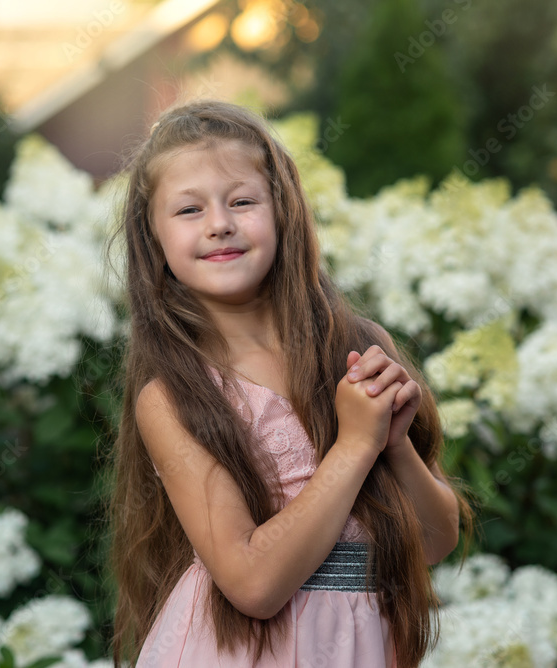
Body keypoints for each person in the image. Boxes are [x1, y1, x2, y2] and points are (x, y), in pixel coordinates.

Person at [105, 100, 473, 668]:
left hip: (361, 643)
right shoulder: (174, 396)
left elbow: (433, 542)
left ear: (284, 212)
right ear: (152, 238)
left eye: (243, 201)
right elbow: (253, 585)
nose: (220, 223)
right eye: (188, 210)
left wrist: (393, 443)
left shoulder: (355, 343)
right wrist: (354, 445)